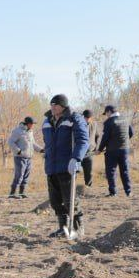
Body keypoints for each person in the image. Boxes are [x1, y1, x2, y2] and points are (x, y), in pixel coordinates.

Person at [41, 94, 89, 239]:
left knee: (70, 200)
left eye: (56, 104)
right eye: (51, 104)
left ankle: (77, 229)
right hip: (51, 166)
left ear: (63, 106)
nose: (53, 107)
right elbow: (48, 141)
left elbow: (83, 140)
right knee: (55, 201)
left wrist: (76, 158)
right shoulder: (47, 121)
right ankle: (63, 228)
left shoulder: (74, 118)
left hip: (67, 166)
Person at [97, 104, 134, 197]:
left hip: (112, 151)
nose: (106, 115)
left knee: (111, 171)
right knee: (125, 170)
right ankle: (128, 191)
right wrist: (124, 141)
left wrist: (100, 149)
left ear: (109, 112)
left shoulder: (109, 122)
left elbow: (105, 138)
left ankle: (113, 192)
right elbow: (131, 133)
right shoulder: (125, 119)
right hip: (125, 149)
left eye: (106, 113)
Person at [8, 116, 44, 198]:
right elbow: (10, 142)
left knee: (26, 176)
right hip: (20, 157)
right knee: (19, 175)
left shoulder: (30, 132)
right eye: (31, 124)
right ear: (27, 123)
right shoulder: (18, 131)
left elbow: (33, 144)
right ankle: (12, 194)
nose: (32, 125)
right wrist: (18, 151)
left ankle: (22, 193)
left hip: (29, 158)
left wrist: (41, 150)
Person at [80, 109, 97, 186]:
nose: (88, 119)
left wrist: (96, 147)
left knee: (88, 172)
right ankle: (71, 189)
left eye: (89, 118)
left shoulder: (94, 124)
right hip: (79, 151)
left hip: (89, 151)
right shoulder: (78, 124)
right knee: (74, 171)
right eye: (86, 117)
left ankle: (88, 188)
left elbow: (97, 135)